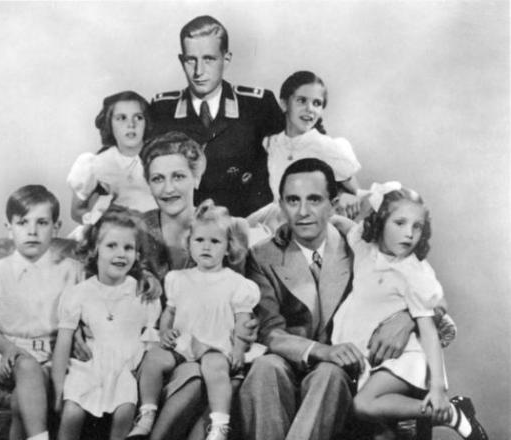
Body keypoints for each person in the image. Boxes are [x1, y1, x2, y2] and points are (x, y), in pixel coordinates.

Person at [238, 159, 446, 440]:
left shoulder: (360, 244)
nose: (303, 212)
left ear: (333, 204)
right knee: (265, 367)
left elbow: (431, 298)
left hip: (348, 371)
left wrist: (405, 319)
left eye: (314, 200)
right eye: (293, 200)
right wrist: (320, 350)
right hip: (290, 361)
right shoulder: (262, 255)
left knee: (329, 374)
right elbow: (270, 331)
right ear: (282, 205)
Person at [330, 182, 488, 440]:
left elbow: (429, 332)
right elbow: (343, 224)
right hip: (373, 358)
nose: (409, 234)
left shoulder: (414, 272)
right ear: (380, 221)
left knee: (364, 405)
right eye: (400, 223)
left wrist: (438, 388)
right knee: (370, 417)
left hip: (405, 357)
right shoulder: (365, 249)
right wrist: (338, 210)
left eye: (417, 227)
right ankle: (447, 411)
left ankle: (450, 412)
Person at [129, 200, 260, 440]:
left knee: (215, 367)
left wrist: (239, 349)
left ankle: (219, 425)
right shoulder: (178, 279)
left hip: (215, 344)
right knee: (153, 358)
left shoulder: (236, 284)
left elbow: (243, 320)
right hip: (183, 342)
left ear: (228, 248)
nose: (206, 247)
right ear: (189, 243)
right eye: (199, 240)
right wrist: (165, 331)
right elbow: (169, 312)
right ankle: (147, 412)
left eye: (215, 241)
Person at [0, 185, 83, 440]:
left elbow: (84, 315)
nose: (32, 231)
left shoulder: (73, 270)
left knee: (21, 399)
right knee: (27, 367)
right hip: (10, 356)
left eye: (42, 222)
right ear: (9, 227)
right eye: (22, 222)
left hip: (55, 357)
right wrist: (8, 349)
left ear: (56, 227)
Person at [149, 15, 285, 217]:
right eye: (191, 60)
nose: (199, 71)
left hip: (249, 224)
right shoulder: (162, 110)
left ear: (226, 59)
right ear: (181, 60)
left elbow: (301, 149)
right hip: (186, 226)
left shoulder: (257, 106)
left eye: (209, 59)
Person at [52, 207, 162, 440]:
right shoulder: (79, 293)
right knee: (72, 413)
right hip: (88, 367)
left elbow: (151, 343)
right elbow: (64, 342)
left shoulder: (143, 293)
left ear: (137, 254)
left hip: (124, 370)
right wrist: (58, 388)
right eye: (111, 246)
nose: (121, 254)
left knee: (125, 411)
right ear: (95, 250)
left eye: (128, 248)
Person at [247, 70, 361, 233]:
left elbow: (357, 193)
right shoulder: (272, 143)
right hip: (277, 219)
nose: (309, 109)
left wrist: (347, 196)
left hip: (311, 224)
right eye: (301, 101)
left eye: (317, 103)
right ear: (284, 104)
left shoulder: (326, 147)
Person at [67, 91, 157, 236]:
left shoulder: (159, 159)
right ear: (109, 124)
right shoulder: (96, 164)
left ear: (146, 123)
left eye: (138, 118)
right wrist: (98, 220)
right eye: (121, 118)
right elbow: (76, 212)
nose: (131, 125)